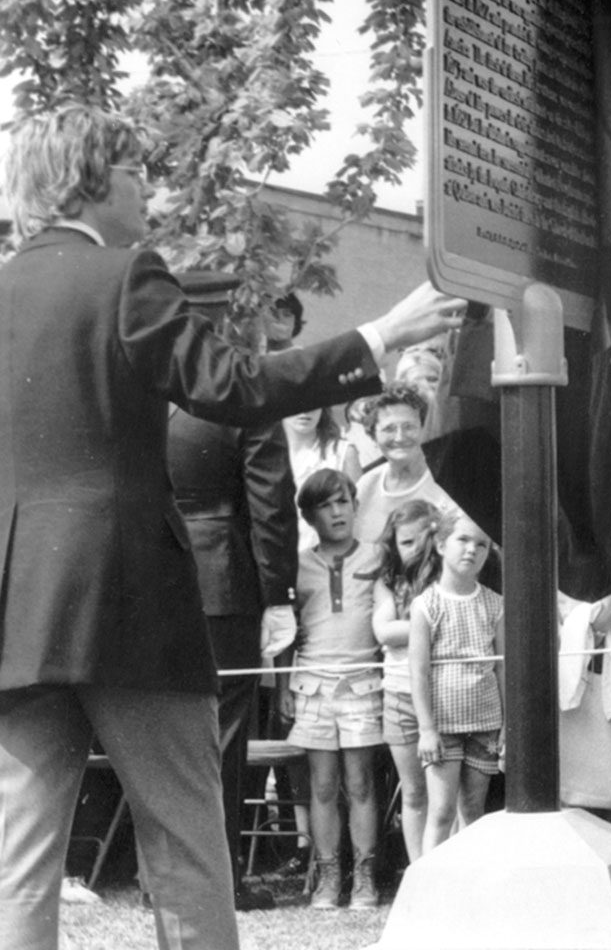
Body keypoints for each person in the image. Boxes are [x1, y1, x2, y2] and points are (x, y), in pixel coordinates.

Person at [0, 105, 466, 950]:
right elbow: (236, 387)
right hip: (129, 600)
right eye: (136, 171)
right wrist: (379, 335)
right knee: (184, 837)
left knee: (18, 860)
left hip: (17, 609)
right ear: (88, 179)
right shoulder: (126, 276)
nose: (149, 189)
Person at [165, 272, 300, 914]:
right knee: (222, 734)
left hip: (156, 578)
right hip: (223, 579)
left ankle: (162, 876)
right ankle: (216, 882)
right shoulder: (243, 391)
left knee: (165, 732)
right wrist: (278, 593)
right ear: (225, 319)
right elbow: (271, 503)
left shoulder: (144, 389)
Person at [287, 468, 385, 910]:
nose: (337, 512)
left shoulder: (378, 557)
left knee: (360, 782)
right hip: (312, 685)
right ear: (310, 517)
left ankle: (364, 875)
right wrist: (283, 685)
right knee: (322, 786)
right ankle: (328, 875)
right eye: (325, 506)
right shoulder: (297, 565)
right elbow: (285, 634)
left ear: (356, 505)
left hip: (362, 684)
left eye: (343, 501)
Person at [410, 511, 505, 853]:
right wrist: (427, 729)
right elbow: (418, 671)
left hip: (485, 724)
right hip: (443, 726)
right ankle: (430, 882)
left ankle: (470, 880)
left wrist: (507, 726)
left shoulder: (495, 604)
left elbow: (502, 668)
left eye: (481, 544)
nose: (472, 550)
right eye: (463, 540)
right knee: (441, 811)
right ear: (440, 545)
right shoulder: (426, 605)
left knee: (473, 811)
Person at [371, 498, 445, 866]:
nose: (415, 549)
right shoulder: (389, 582)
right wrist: (431, 624)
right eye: (406, 542)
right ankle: (419, 871)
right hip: (399, 694)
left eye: (422, 539)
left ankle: (446, 869)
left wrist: (412, 627)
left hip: (443, 695)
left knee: (445, 794)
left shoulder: (447, 580)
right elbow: (384, 630)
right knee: (414, 792)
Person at [353, 383, 460, 544]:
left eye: (409, 427)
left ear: (424, 430)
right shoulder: (365, 486)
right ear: (373, 437)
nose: (400, 437)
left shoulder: (448, 482)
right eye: (389, 429)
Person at [284, 406, 362, 549]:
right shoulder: (263, 456)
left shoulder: (342, 453)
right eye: (295, 402)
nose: (305, 411)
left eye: (313, 402)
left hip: (326, 555)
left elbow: (358, 518)